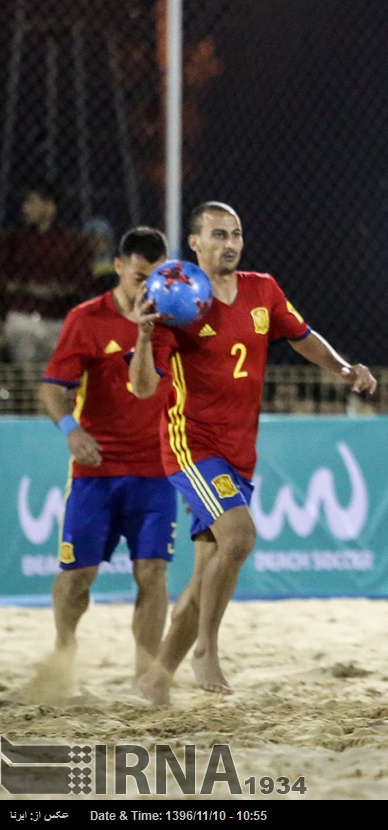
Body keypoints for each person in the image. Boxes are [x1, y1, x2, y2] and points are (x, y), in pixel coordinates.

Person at [131, 201, 377, 704]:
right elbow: (141, 388)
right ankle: (207, 648)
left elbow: (303, 339)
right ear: (194, 243)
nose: (230, 243)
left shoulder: (263, 289)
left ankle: (156, 679)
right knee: (239, 538)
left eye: (236, 234)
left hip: (239, 452)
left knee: (206, 575)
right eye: (218, 234)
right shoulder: (177, 304)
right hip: (191, 445)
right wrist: (143, 331)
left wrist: (344, 368)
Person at [37, 226, 174, 693]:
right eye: (139, 277)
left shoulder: (170, 321)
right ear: (119, 267)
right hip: (96, 470)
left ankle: (146, 674)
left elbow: (151, 387)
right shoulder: (86, 318)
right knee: (78, 576)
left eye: (155, 278)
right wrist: (69, 429)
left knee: (152, 572)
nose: (147, 288)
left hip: (155, 470)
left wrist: (146, 331)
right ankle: (64, 650)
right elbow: (54, 386)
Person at [0, 182, 91, 364]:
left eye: (32, 202)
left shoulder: (72, 242)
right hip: (22, 314)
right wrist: (25, 288)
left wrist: (58, 291)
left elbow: (84, 282)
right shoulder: (14, 241)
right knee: (20, 335)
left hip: (58, 317)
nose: (25, 208)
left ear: (50, 206)